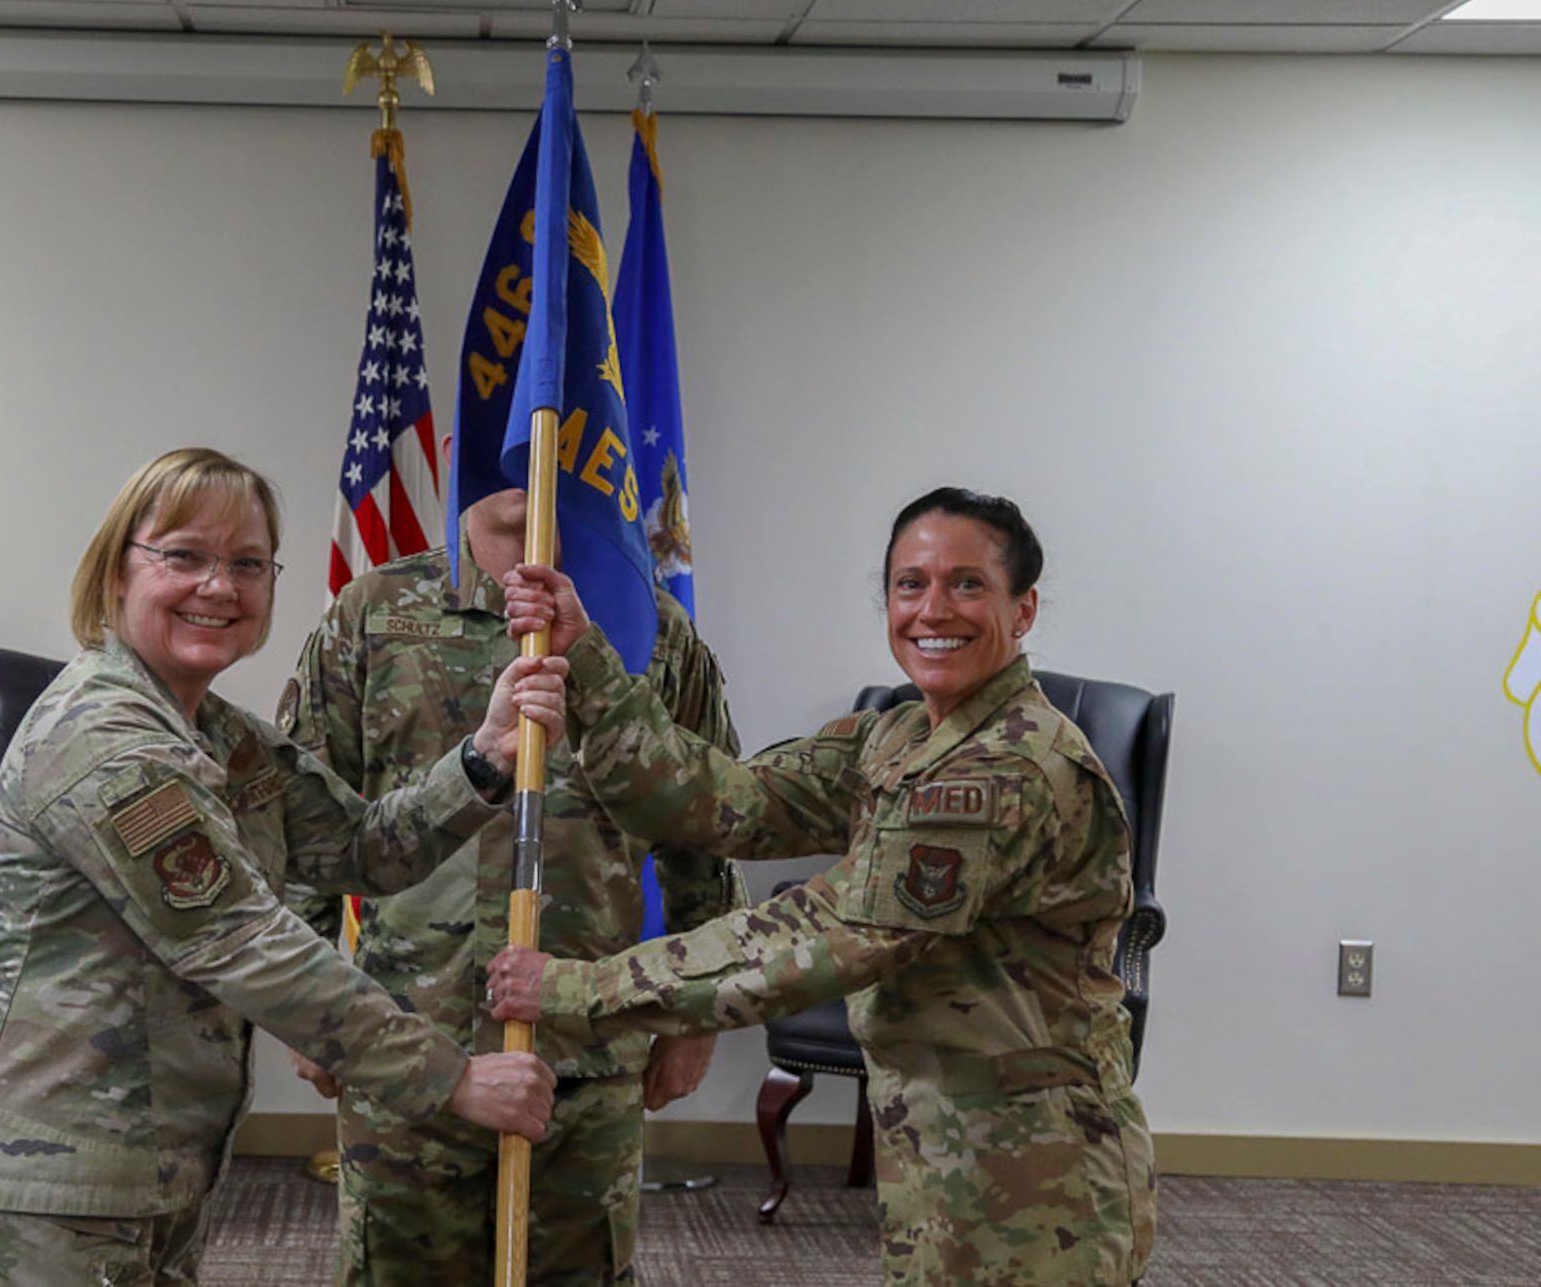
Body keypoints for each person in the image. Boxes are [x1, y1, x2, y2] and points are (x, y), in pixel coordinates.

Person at [0, 448, 564, 1286]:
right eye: (184, 556)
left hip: (143, 1171)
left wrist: (483, 756)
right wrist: (452, 1079)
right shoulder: (105, 740)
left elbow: (360, 847)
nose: (219, 587)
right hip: (44, 1187)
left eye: (248, 564)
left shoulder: (219, 733)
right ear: (117, 573)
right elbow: (237, 940)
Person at [488, 487, 1157, 1284]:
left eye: (968, 583)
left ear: (1024, 609)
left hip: (1035, 1172)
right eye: (911, 584)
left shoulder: (1004, 767)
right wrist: (587, 661)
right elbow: (723, 802)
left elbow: (827, 934)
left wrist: (579, 990)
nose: (933, 609)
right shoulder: (902, 735)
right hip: (945, 1148)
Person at [277, 480, 748, 1284]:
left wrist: (695, 1015)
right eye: (499, 427)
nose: (520, 457)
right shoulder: (374, 612)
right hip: (406, 1043)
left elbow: (702, 833)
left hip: (588, 1049)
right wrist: (307, 1010)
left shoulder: (646, 630)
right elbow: (304, 821)